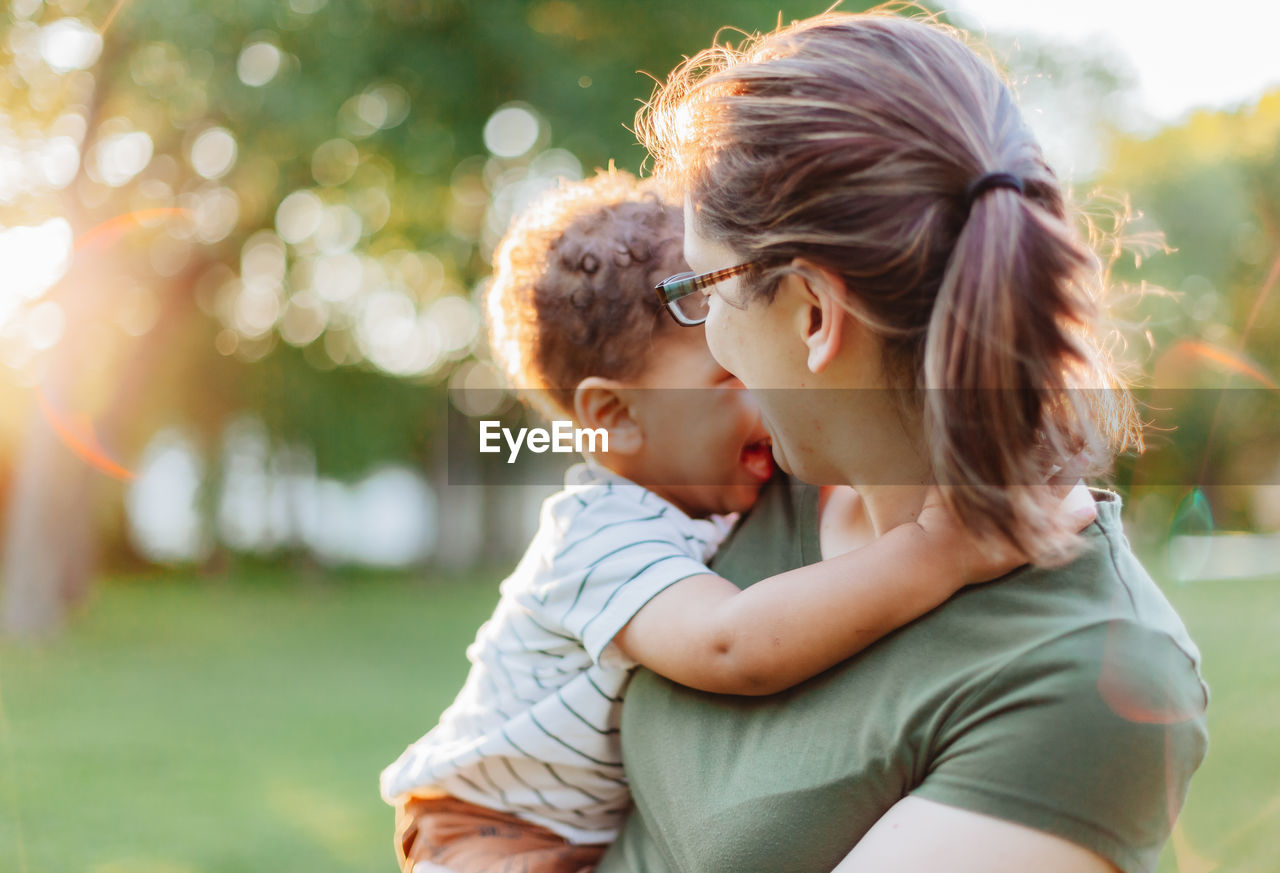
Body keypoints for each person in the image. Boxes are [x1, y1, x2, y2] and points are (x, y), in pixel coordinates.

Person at [595, 9, 1209, 873]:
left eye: (708, 291)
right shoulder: (742, 482)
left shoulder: (1089, 679)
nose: (712, 348)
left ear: (812, 312)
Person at [381, 170, 1081, 873]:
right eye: (729, 378)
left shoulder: (711, 486)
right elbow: (730, 644)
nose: (767, 396)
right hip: (487, 834)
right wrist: (937, 551)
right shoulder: (598, 535)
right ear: (617, 417)